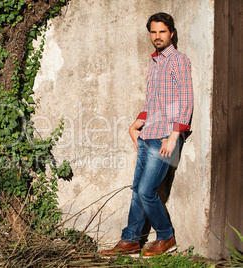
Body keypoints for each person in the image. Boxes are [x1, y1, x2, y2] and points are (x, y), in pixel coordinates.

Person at [102, 12, 193, 258]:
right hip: (147, 135)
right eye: (153, 32)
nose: (157, 37)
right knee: (136, 191)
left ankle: (166, 236)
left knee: (146, 191)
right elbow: (152, 102)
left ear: (171, 33)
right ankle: (130, 240)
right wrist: (135, 125)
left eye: (162, 32)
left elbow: (185, 102)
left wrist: (175, 137)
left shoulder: (178, 61)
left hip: (165, 137)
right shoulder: (154, 63)